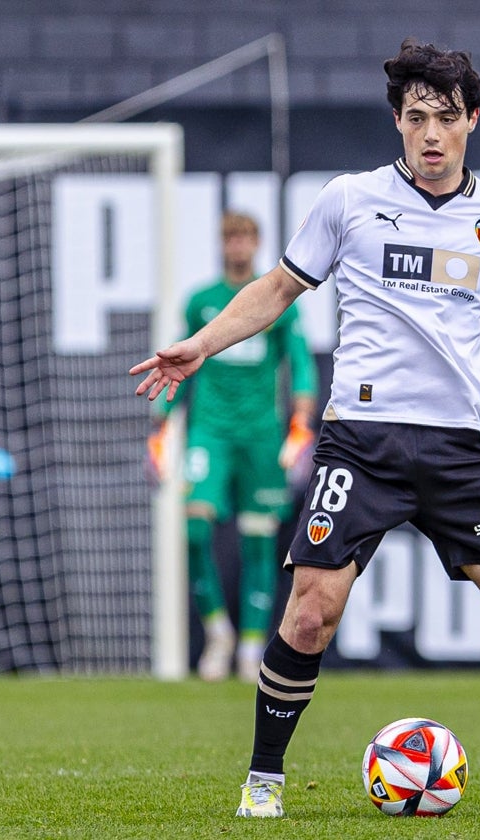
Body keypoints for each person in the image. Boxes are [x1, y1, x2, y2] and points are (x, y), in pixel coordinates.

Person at [132, 38, 480, 816]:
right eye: (417, 118)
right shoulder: (349, 199)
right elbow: (277, 289)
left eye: (446, 117)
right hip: (363, 439)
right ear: (399, 123)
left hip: (457, 446)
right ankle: (265, 780)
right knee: (310, 614)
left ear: (472, 120)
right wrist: (199, 348)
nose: (432, 134)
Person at [147, 211, 318, 683]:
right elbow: (179, 366)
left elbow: (301, 365)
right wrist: (161, 425)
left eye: (244, 237)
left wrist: (301, 420)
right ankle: (217, 632)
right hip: (211, 433)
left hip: (262, 436)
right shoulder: (202, 302)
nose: (237, 246)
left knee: (259, 540)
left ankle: (248, 648)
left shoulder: (277, 302)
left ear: (256, 242)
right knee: (196, 527)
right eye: (229, 238)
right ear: (222, 244)